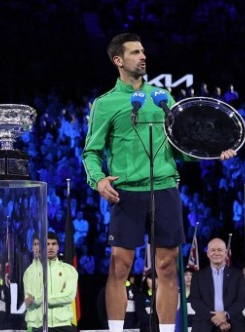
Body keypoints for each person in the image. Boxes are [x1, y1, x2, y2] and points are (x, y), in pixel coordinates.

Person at [82, 33, 236, 332]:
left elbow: (183, 146)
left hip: (165, 189)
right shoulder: (106, 103)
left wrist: (214, 152)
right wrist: (98, 180)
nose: (143, 57)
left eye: (143, 51)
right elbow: (91, 151)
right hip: (126, 193)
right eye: (135, 52)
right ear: (118, 60)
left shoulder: (162, 98)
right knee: (119, 266)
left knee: (167, 267)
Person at [188, 238, 245, 332]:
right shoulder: (198, 276)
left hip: (232, 324)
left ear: (226, 253)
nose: (216, 253)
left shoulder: (237, 275)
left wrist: (225, 315)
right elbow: (195, 301)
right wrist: (215, 318)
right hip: (204, 324)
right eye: (213, 250)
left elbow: (242, 300)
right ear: (208, 254)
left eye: (219, 250)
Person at [24, 232, 79, 332]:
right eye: (47, 244)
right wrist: (57, 296)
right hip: (40, 326)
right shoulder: (30, 272)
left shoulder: (69, 270)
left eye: (54, 244)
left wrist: (39, 299)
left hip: (64, 324)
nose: (50, 247)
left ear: (58, 247)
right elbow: (28, 301)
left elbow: (69, 296)